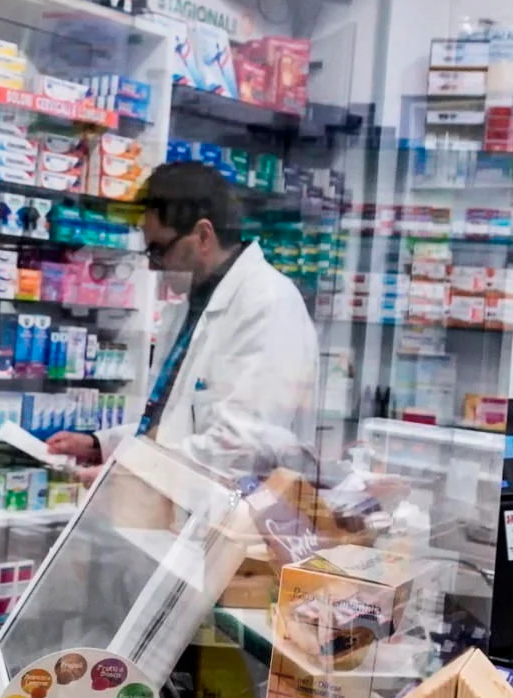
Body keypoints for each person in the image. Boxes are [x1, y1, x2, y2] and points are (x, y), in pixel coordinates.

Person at [49, 160, 318, 473]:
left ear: (203, 236)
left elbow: (244, 447)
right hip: (181, 508)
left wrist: (131, 469)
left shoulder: (268, 304)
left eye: (159, 249)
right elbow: (172, 423)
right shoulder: (191, 305)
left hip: (234, 513)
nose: (153, 265)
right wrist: (101, 446)